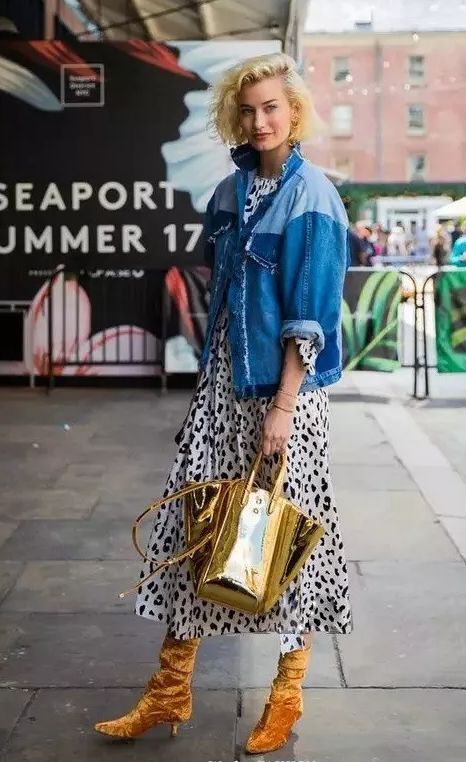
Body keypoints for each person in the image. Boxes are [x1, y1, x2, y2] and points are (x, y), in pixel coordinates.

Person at [94, 53, 353, 754]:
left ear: (294, 111)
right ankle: (169, 689)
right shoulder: (227, 193)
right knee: (196, 534)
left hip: (282, 396)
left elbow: (310, 317)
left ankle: (287, 696)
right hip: (221, 391)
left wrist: (283, 408)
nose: (260, 121)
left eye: (271, 107)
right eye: (248, 110)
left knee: (285, 544)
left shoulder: (313, 198)